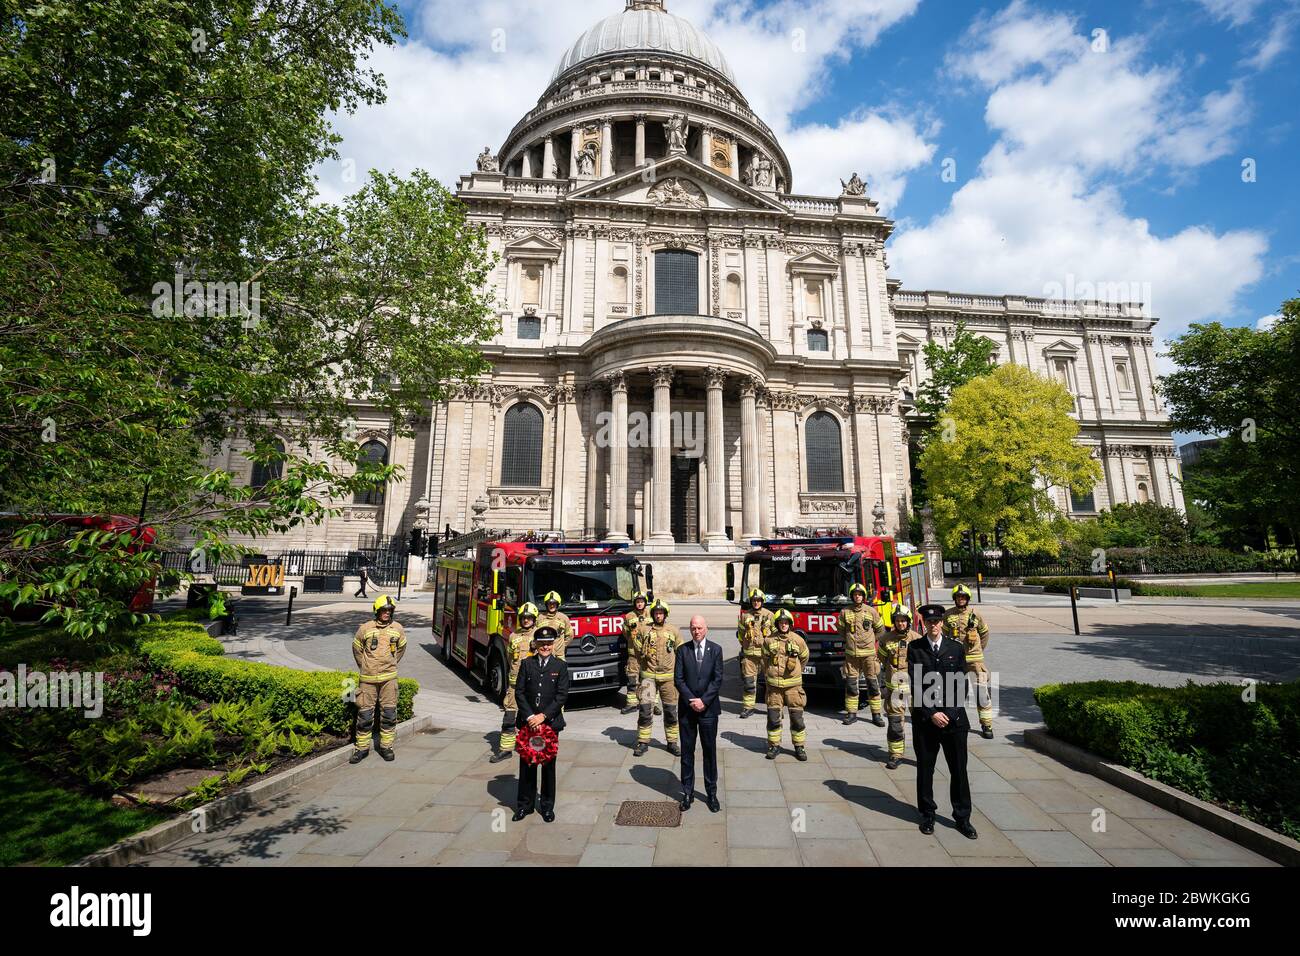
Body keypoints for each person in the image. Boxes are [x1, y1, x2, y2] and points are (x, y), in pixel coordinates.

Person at [908, 603, 977, 839]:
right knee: (925, 770)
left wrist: (949, 711)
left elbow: (962, 684)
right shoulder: (914, 648)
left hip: (955, 721)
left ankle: (963, 818)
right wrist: (932, 713)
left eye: (937, 621)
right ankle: (927, 814)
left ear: (942, 623)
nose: (933, 625)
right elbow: (916, 685)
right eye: (929, 622)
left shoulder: (956, 648)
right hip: (927, 722)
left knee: (959, 770)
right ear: (923, 624)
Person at [512, 626, 569, 822]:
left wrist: (543, 717)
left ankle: (546, 807)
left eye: (549, 643)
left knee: (548, 766)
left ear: (553, 645)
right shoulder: (527, 664)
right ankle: (524, 806)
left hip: (549, 724)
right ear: (535, 644)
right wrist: (530, 717)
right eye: (542, 643)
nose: (545, 646)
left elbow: (561, 695)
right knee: (527, 764)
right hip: (529, 723)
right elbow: (519, 692)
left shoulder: (560, 666)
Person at [674, 614, 723, 813]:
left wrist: (704, 700)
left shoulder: (716, 650)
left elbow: (717, 679)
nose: (697, 631)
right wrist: (691, 700)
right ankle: (687, 792)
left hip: (708, 710)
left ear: (706, 628)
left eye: (700, 628)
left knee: (709, 752)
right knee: (687, 752)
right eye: (693, 628)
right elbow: (678, 679)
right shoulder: (682, 650)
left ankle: (711, 793)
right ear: (690, 629)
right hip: (687, 710)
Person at [350, 595, 406, 764]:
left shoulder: (398, 628)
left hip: (389, 679)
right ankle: (362, 748)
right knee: (365, 715)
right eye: (384, 610)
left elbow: (401, 648)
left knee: (389, 714)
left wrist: (391, 663)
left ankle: (386, 747)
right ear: (377, 611)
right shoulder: (365, 628)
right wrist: (365, 666)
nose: (387, 613)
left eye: (389, 611)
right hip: (368, 679)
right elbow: (357, 648)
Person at [631, 600, 681, 758]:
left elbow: (681, 652)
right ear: (652, 614)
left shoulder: (673, 630)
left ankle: (672, 742)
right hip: (648, 679)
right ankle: (643, 742)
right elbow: (637, 651)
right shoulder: (644, 630)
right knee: (645, 711)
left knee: (671, 712)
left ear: (665, 614)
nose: (658, 615)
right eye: (656, 613)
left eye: (661, 613)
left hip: (668, 679)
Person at [944, 584, 994, 738]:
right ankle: (955, 719)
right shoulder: (948, 615)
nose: (961, 599)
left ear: (967, 599)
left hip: (975, 658)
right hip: (956, 659)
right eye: (958, 597)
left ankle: (986, 725)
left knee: (982, 691)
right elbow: (945, 637)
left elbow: (984, 634)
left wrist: (978, 649)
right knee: (954, 691)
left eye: (963, 597)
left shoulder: (975, 614)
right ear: (955, 599)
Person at [491, 602, 538, 763]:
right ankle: (505, 750)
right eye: (523, 618)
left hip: (531, 686)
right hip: (514, 686)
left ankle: (532, 748)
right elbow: (510, 657)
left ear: (534, 619)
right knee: (509, 717)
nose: (526, 620)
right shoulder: (513, 636)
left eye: (529, 618)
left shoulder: (539, 636)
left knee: (531, 718)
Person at [763, 609, 809, 761]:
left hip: (793, 688)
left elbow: (804, 658)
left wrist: (796, 672)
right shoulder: (769, 641)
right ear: (777, 624)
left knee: (797, 718)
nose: (784, 625)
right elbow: (765, 659)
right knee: (773, 718)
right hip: (774, 688)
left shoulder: (798, 640)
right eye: (781, 622)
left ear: (790, 623)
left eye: (786, 622)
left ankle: (799, 746)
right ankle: (774, 746)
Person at [838, 583, 885, 726]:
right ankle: (851, 714)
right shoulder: (845, 612)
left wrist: (871, 641)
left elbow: (880, 629)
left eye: (860, 594)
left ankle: (876, 715)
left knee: (872, 684)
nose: (857, 596)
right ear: (852, 596)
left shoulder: (871, 611)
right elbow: (840, 630)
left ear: (863, 596)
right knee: (851, 685)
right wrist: (850, 641)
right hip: (851, 656)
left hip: (869, 655)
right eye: (855, 594)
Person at [878, 603, 917, 770]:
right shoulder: (885, 639)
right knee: (895, 723)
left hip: (915, 690)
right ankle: (895, 755)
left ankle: (923, 754)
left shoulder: (916, 639)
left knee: (922, 724)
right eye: (898, 620)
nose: (901, 623)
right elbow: (882, 661)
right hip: (895, 690)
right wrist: (883, 685)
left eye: (904, 621)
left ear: (908, 622)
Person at [736, 587, 773, 718]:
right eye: (753, 600)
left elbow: (775, 635)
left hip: (766, 656)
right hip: (750, 656)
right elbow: (740, 634)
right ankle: (748, 707)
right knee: (749, 683)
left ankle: (773, 708)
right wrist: (745, 645)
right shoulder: (745, 616)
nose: (756, 602)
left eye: (758, 600)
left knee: (771, 683)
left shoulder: (769, 615)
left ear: (762, 601)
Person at [621, 592, 659, 716]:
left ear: (645, 602)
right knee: (632, 679)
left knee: (650, 679)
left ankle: (653, 705)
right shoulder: (629, 616)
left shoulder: (651, 614)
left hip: (649, 654)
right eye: (637, 602)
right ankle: (631, 704)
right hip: (634, 655)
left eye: (642, 601)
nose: (639, 604)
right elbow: (626, 633)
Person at [535, 590, 573, 660]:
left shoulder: (564, 618)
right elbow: (534, 636)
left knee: (560, 670)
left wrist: (562, 646)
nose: (552, 605)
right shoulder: (539, 618)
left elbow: (570, 635)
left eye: (554, 603)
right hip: (543, 655)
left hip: (559, 656)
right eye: (549, 603)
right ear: (546, 604)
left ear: (558, 604)